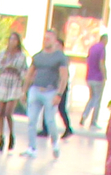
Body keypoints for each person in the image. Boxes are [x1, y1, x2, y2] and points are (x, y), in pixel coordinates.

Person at [23, 29, 67, 158]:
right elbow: (30, 74)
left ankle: (55, 143)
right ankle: (32, 147)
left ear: (54, 40)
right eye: (45, 38)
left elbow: (64, 76)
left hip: (50, 91)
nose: (46, 40)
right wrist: (24, 90)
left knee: (50, 121)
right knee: (31, 120)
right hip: (36, 89)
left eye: (49, 38)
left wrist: (59, 94)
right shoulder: (37, 57)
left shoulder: (59, 57)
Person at [0, 32, 25, 153]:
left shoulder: (21, 56)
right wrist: (4, 64)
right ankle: (1, 138)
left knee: (8, 112)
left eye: (15, 39)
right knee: (1, 112)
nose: (12, 42)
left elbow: (24, 70)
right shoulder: (3, 53)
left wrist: (16, 71)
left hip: (14, 82)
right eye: (10, 39)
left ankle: (11, 135)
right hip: (3, 81)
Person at [80, 32, 105, 130]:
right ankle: (93, 121)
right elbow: (101, 62)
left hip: (89, 76)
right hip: (98, 77)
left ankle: (85, 115)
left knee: (91, 98)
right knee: (97, 99)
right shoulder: (102, 48)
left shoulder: (92, 47)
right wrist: (104, 75)